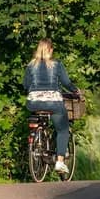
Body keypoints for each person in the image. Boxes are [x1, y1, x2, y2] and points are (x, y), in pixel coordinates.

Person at [23, 38, 80, 174]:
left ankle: (38, 141)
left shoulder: (31, 65)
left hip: (33, 103)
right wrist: (75, 90)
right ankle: (59, 162)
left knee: (38, 118)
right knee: (62, 129)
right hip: (53, 103)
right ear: (50, 50)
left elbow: (25, 85)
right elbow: (66, 82)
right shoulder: (56, 64)